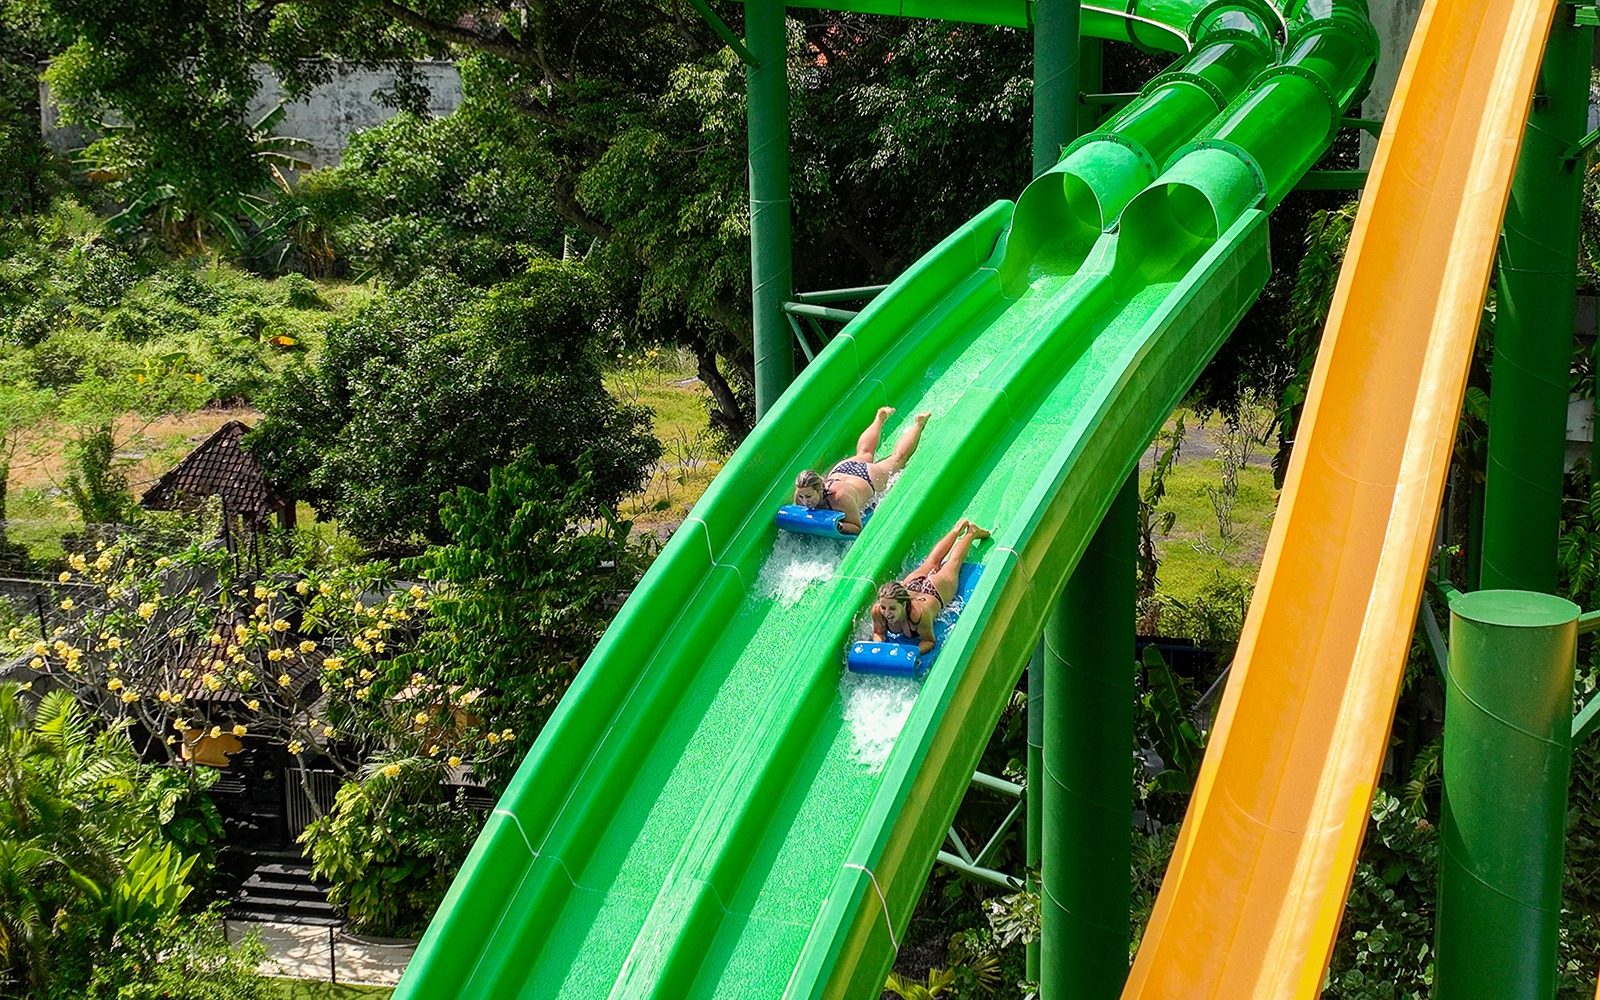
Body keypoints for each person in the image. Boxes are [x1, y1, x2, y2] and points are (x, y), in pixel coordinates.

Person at [792, 407, 930, 535]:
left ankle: (919, 423)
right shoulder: (802, 491)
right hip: (842, 470)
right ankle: (879, 418)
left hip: (866, 476)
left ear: (819, 489)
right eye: (802, 497)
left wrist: (838, 526)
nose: (805, 502)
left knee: (898, 459)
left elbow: (857, 527)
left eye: (809, 497)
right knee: (864, 452)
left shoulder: (839, 498)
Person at [872, 519, 990, 655]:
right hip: (912, 585)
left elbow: (928, 641)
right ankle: (955, 530)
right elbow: (878, 633)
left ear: (904, 605)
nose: (886, 613)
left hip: (935, 591)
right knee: (931, 561)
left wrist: (913, 652)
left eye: (892, 608)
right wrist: (877, 648)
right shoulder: (877, 611)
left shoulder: (918, 615)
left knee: (953, 562)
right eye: (884, 607)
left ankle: (971, 533)